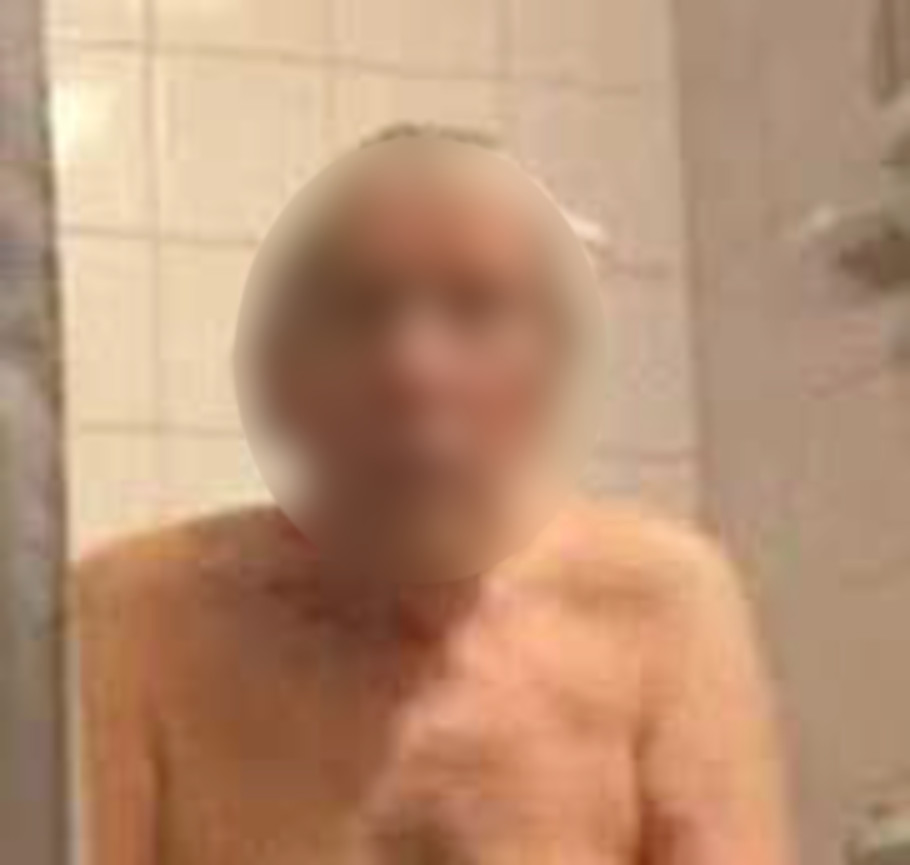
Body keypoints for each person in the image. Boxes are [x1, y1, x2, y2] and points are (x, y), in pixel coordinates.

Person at [73, 125, 794, 865]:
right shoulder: (137, 613)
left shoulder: (661, 604)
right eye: (359, 310)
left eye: (477, 309)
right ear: (284, 372)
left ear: (552, 368)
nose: (413, 369)